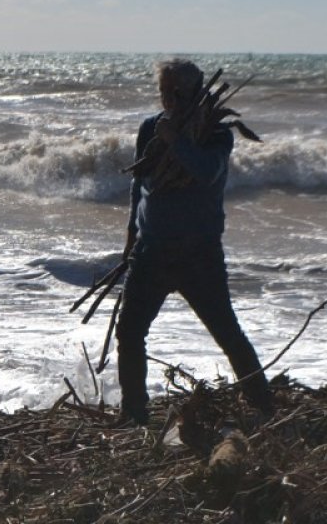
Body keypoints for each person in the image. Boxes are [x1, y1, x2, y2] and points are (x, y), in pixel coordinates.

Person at [116, 58, 274, 426]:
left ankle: (263, 405)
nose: (169, 100)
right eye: (164, 92)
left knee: (226, 331)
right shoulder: (151, 127)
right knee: (130, 332)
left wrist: (177, 143)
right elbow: (140, 182)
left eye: (177, 92)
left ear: (195, 92)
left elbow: (206, 173)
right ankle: (134, 414)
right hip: (151, 251)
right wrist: (131, 232)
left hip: (198, 254)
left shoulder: (216, 133)